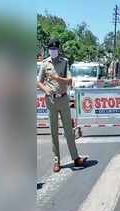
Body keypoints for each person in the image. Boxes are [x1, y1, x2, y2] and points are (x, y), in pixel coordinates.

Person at [37, 38, 87, 173]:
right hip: (51, 101)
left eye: (54, 49)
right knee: (53, 132)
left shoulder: (64, 62)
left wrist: (58, 78)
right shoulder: (44, 64)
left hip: (63, 99)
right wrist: (45, 89)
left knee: (68, 131)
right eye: (50, 49)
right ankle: (56, 161)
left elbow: (70, 80)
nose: (52, 51)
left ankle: (75, 158)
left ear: (58, 49)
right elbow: (38, 81)